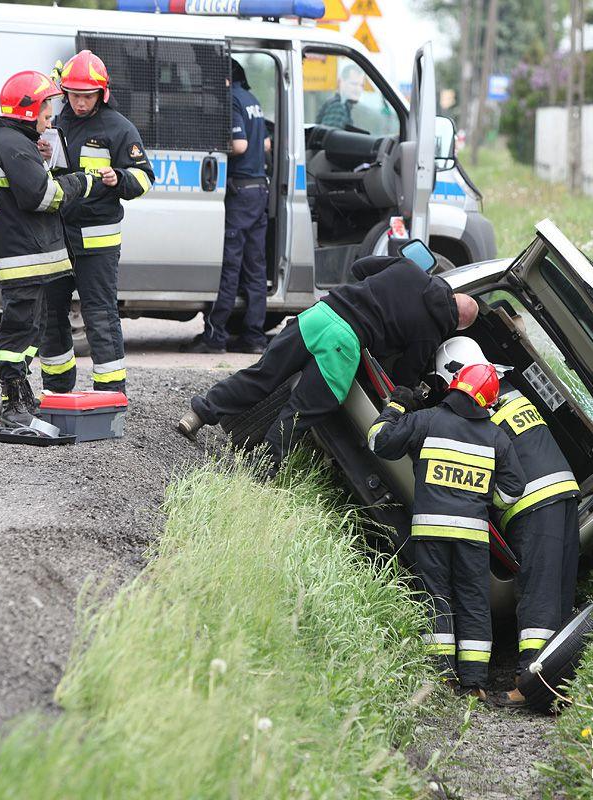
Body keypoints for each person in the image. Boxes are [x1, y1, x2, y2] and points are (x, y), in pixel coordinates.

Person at [177, 253, 480, 474]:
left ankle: (199, 413)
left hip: (320, 315)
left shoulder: (410, 269)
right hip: (345, 343)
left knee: (262, 375)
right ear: (458, 327)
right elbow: (404, 376)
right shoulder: (430, 333)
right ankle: (260, 471)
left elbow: (360, 266)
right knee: (300, 413)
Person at [435, 337, 582, 709]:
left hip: (534, 502)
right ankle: (556, 680)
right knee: (559, 591)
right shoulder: (507, 389)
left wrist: (488, 505)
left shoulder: (476, 406)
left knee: (538, 597)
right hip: (563, 490)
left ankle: (528, 685)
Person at [368, 364, 525, 698]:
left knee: (435, 596)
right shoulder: (496, 436)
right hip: (473, 536)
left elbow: (379, 441)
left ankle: (442, 677)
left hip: (431, 531)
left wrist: (396, 406)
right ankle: (475, 683)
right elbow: (514, 489)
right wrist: (483, 500)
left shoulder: (427, 420)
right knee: (474, 602)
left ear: (455, 387)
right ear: (488, 401)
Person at [0, 70, 91, 427]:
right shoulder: (12, 146)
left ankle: (21, 394)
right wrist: (79, 181)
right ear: (27, 110)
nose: (50, 117)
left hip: (30, 259)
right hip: (26, 259)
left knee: (27, 332)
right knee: (17, 331)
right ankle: (12, 402)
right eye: (46, 110)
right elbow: (43, 196)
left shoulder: (10, 143)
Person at [40, 49, 154, 394]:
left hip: (97, 242)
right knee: (52, 314)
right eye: (74, 94)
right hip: (58, 236)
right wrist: (42, 155)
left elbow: (145, 177)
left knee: (100, 316)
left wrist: (118, 178)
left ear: (101, 94)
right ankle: (57, 389)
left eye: (87, 96)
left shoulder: (119, 128)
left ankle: (110, 391)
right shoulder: (56, 123)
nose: (79, 102)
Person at [189, 59, 270, 356]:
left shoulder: (232, 99)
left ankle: (215, 337)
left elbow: (240, 145)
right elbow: (266, 145)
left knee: (230, 266)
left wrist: (213, 142)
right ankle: (254, 336)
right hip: (260, 188)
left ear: (224, 79)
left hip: (241, 192)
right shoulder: (253, 100)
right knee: (256, 267)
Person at [315, 64, 364, 129]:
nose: (358, 89)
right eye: (354, 84)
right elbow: (330, 138)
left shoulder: (341, 105)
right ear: (341, 82)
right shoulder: (338, 107)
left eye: (361, 85)